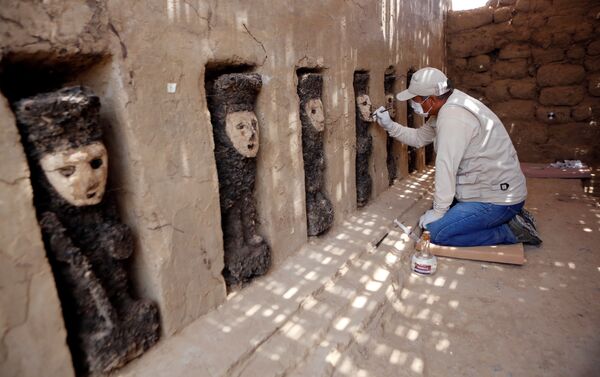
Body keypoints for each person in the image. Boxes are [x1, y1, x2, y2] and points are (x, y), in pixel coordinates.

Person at [373, 67, 541, 246]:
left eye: (415, 100)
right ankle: (508, 217)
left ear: (430, 99)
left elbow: (446, 166)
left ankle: (512, 230)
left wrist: (438, 212)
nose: (413, 104)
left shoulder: (453, 118)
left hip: (496, 200)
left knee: (438, 233)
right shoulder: (449, 103)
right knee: (445, 215)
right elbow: (419, 138)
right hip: (491, 192)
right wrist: (389, 125)